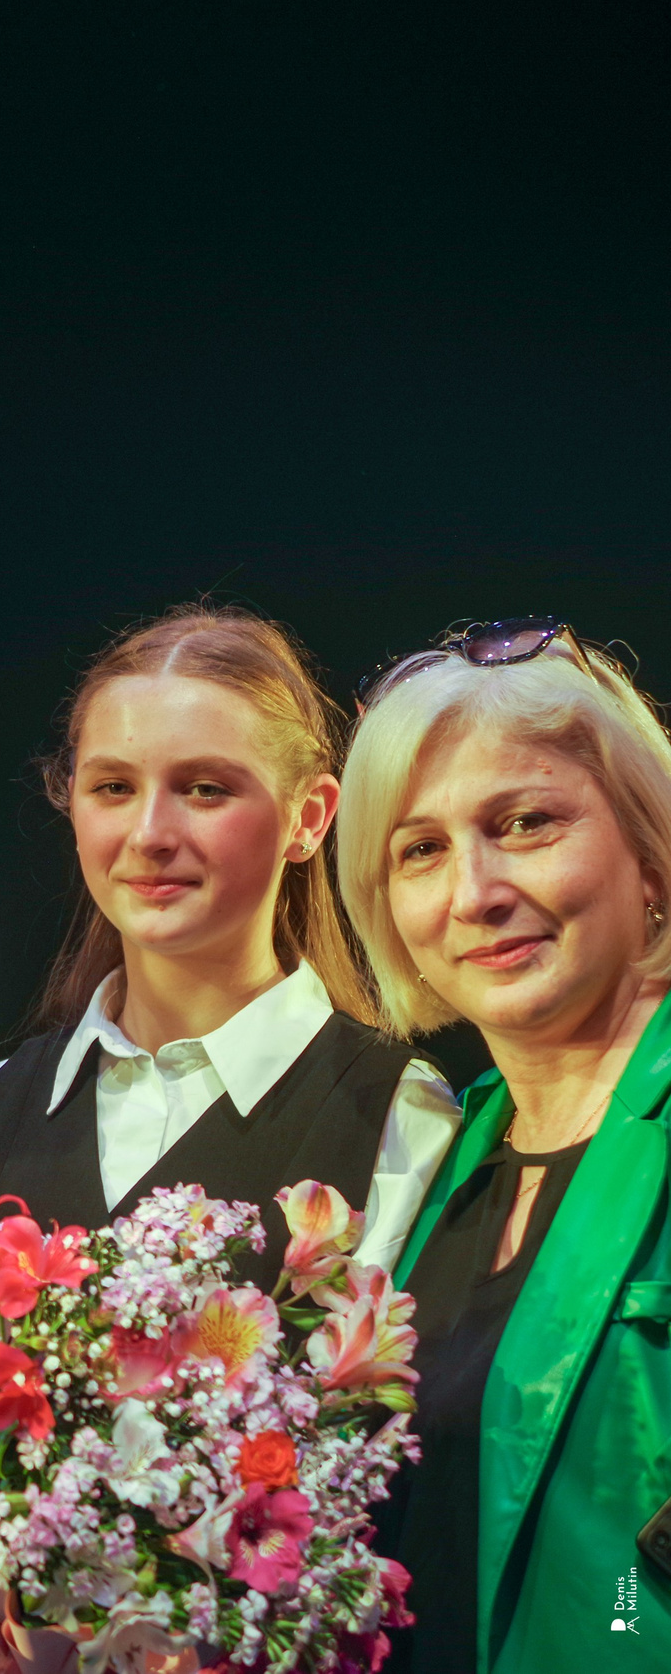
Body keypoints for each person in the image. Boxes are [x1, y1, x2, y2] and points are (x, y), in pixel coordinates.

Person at [0, 606, 463, 1665]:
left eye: (204, 788)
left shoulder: (397, 1115)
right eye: (113, 787)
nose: (150, 832)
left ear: (307, 817)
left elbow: (404, 1479)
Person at [338, 618, 671, 1672]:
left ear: (650, 854)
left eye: (524, 822)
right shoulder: (428, 1157)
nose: (474, 893)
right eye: (420, 850)